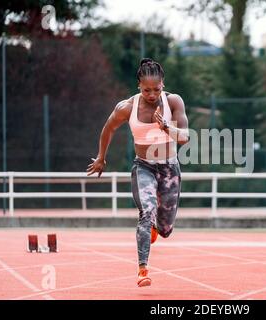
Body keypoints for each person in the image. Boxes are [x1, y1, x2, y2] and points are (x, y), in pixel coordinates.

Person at [86, 58, 189, 287]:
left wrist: (166, 127)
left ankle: (154, 229)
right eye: (146, 90)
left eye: (156, 89)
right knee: (147, 211)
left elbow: (185, 136)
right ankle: (143, 268)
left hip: (169, 168)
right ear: (138, 87)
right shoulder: (127, 107)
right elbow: (108, 128)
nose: (152, 94)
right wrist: (101, 157)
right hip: (144, 166)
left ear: (163, 84)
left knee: (165, 230)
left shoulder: (173, 102)